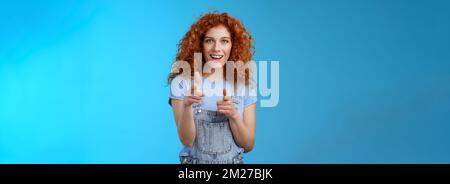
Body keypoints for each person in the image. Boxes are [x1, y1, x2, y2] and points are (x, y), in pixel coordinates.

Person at [168, 12, 257, 164]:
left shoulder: (244, 85)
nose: (217, 48)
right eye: (209, 41)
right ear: (200, 44)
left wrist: (233, 115)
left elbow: (248, 145)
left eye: (224, 41)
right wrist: (187, 105)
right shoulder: (181, 83)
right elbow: (187, 140)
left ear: (233, 45)